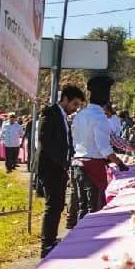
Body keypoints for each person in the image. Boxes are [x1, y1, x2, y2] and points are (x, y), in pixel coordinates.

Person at [70, 75, 128, 221]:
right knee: (95, 210)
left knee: (82, 208)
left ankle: (79, 240)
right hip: (93, 166)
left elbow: (75, 140)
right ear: (104, 96)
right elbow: (104, 148)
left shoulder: (80, 115)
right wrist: (120, 163)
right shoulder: (99, 117)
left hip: (77, 163)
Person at [36, 84, 84, 257]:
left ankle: (51, 239)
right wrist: (63, 162)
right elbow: (46, 142)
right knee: (53, 205)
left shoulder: (63, 116)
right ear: (65, 99)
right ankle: (46, 244)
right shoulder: (50, 113)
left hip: (59, 167)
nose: (75, 109)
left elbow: (65, 141)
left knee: (57, 205)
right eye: (74, 104)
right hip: (50, 167)